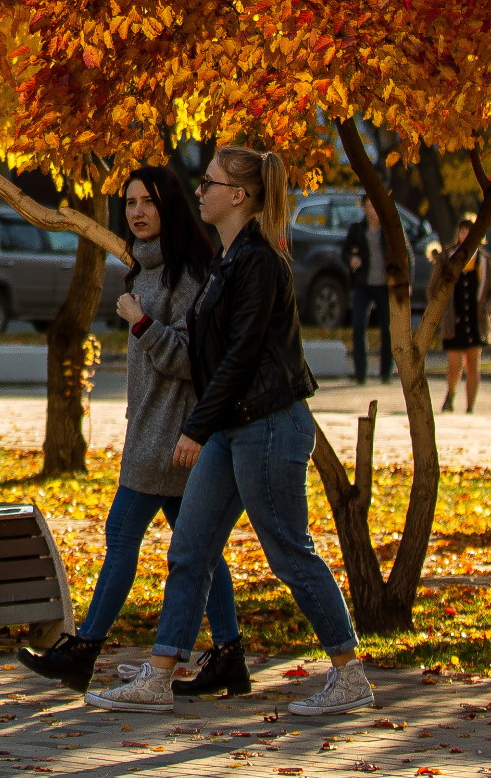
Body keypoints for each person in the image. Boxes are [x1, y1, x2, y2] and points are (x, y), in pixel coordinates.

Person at [88, 145, 372, 719]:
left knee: (290, 553)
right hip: (233, 427)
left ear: (238, 196)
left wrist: (195, 427)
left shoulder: (260, 262)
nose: (199, 192)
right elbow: (206, 355)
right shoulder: (228, 259)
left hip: (269, 426)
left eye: (211, 183)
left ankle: (350, 674)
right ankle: (159, 676)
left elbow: (240, 357)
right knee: (190, 550)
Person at [18, 161, 244, 698]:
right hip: (155, 433)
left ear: (170, 208)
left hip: (171, 439)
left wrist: (140, 323)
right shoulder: (145, 269)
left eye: (147, 202)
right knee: (201, 550)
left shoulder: (189, 275)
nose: (137, 212)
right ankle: (229, 655)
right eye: (130, 202)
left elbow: (193, 359)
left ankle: (83, 650)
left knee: (123, 536)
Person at [433, 218, 491, 414]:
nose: (465, 236)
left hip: (476, 318)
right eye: (463, 232)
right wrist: (441, 311)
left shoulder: (485, 260)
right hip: (454, 318)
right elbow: (433, 288)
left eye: (470, 232)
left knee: (473, 364)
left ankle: (470, 406)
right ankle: (450, 394)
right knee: (454, 364)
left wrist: (487, 308)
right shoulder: (447, 257)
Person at [340, 208, 392, 385]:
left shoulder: (389, 227)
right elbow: (345, 252)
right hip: (363, 283)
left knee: (387, 328)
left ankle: (385, 373)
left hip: (385, 285)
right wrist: (351, 260)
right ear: (364, 208)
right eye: (368, 205)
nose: (373, 210)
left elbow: (405, 253)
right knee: (359, 326)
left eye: (374, 205)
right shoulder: (357, 229)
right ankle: (360, 373)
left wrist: (406, 282)